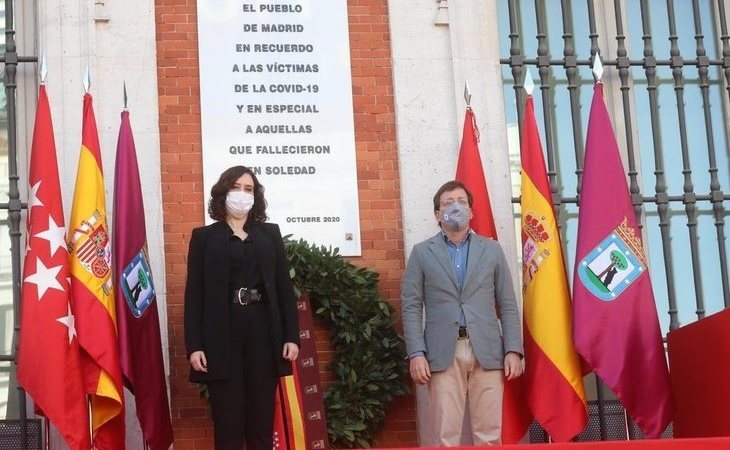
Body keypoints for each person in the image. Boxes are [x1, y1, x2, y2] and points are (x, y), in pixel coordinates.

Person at [184, 165, 300, 450]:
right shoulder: (204, 237)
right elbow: (194, 294)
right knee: (227, 425)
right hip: (221, 337)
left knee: (261, 422)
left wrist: (291, 336)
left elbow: (284, 288)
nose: (242, 194)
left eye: (249, 189)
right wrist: (195, 345)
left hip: (263, 333)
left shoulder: (270, 234)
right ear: (224, 192)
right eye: (236, 187)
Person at [401, 180, 523, 446]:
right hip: (443, 351)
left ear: (471, 211)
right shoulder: (421, 253)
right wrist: (416, 353)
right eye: (448, 203)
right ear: (437, 214)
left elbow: (507, 303)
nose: (455, 207)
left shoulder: (491, 250)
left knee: (489, 436)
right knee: (446, 437)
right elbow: (411, 306)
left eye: (462, 202)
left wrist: (513, 349)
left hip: (488, 351)